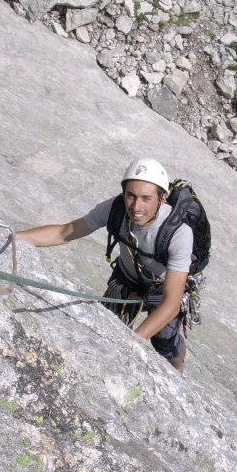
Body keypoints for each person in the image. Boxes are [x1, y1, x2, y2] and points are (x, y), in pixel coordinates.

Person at [15, 158, 193, 373]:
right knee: (108, 326)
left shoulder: (178, 232)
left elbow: (171, 302)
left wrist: (132, 342)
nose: (136, 207)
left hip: (161, 286)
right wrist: (14, 239)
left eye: (146, 198)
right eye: (131, 196)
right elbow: (65, 233)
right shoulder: (115, 208)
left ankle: (178, 369)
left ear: (162, 198)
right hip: (128, 276)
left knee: (164, 340)